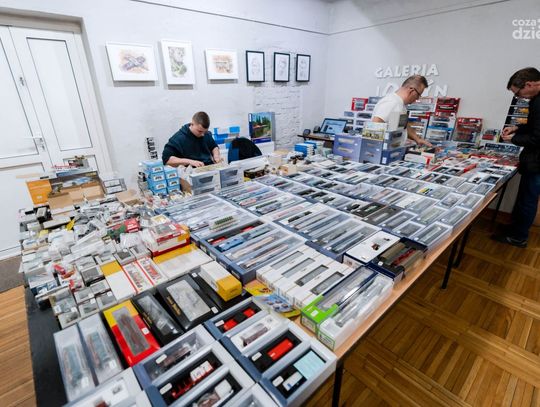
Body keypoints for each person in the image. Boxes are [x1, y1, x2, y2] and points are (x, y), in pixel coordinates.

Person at [491, 67, 540, 248]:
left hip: (537, 163)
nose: (518, 97)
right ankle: (515, 229)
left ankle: (519, 237)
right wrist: (516, 128)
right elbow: (534, 126)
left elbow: (537, 137)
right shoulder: (536, 99)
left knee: (528, 199)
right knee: (524, 197)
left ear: (529, 84)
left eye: (518, 93)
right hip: (533, 160)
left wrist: (513, 139)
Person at [371, 75, 433, 147]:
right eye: (418, 95)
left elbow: (402, 125)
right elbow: (375, 125)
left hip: (394, 149)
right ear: (412, 90)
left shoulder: (400, 104)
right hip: (384, 151)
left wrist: (417, 139)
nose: (417, 98)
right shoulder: (392, 102)